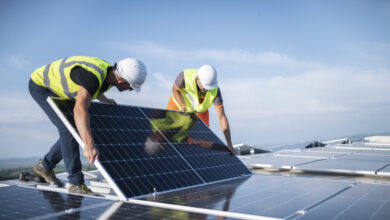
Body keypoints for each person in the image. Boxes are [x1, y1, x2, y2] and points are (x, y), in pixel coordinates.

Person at [29, 56, 147, 195]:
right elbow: (80, 108)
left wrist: (105, 99)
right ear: (121, 80)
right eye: (130, 86)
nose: (130, 89)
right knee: (68, 129)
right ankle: (76, 183)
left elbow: (93, 88)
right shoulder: (93, 76)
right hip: (42, 86)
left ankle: (45, 166)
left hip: (60, 90)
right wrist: (89, 144)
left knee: (79, 128)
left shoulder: (110, 74)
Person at [166, 65, 236, 154]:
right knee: (170, 135)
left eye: (209, 88)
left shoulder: (215, 91)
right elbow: (175, 90)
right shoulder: (184, 76)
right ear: (198, 78)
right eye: (205, 86)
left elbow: (221, 117)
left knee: (203, 138)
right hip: (178, 105)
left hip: (200, 110)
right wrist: (182, 105)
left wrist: (229, 143)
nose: (206, 90)